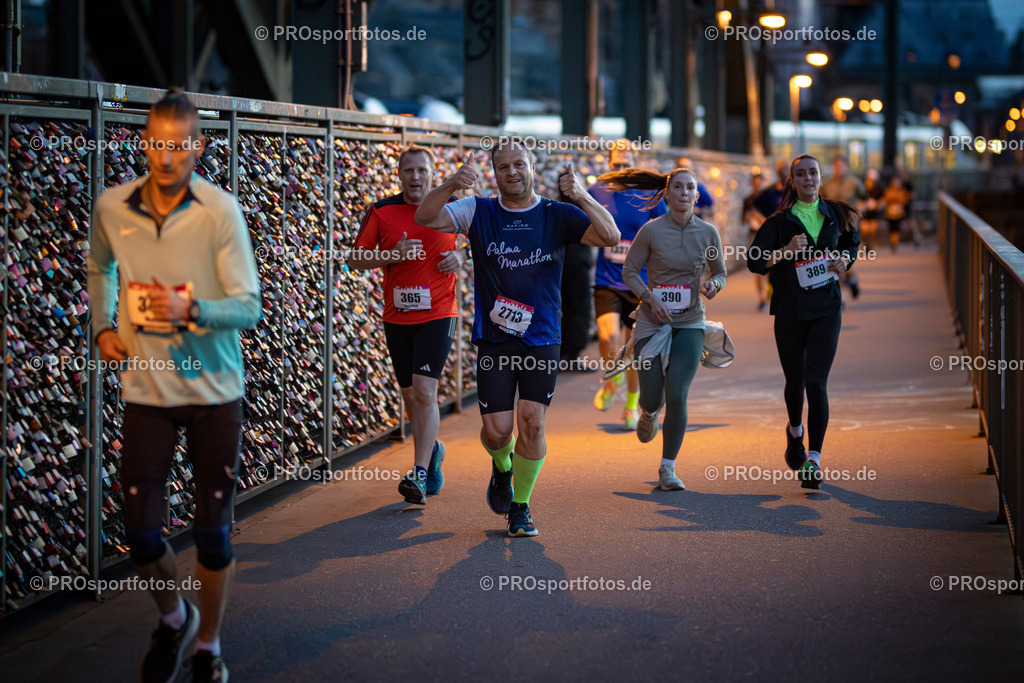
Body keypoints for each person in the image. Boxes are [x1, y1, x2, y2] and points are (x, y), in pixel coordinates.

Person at [88, 90, 262, 682]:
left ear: (198, 146)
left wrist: (190, 311)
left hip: (215, 391)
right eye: (157, 144)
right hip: (147, 391)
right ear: (145, 142)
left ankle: (208, 647)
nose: (167, 158)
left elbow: (249, 307)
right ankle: (173, 617)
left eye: (179, 146)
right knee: (139, 533)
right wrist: (103, 326)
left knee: (212, 536)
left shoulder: (220, 212)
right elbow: (100, 265)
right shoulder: (112, 207)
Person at [415, 139, 619, 536]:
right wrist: (451, 183)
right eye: (504, 166)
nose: (512, 172)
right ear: (495, 173)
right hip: (495, 338)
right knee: (498, 431)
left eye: (519, 164)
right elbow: (426, 217)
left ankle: (521, 507)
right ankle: (503, 466)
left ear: (530, 168)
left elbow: (609, 237)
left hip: (542, 336)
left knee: (533, 423)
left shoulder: (555, 214)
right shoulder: (479, 210)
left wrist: (580, 197)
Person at [348, 145, 468, 505]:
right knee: (411, 399)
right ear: (399, 175)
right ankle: (432, 453)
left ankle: (417, 471)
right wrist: (391, 255)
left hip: (439, 313)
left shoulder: (453, 207)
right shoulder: (382, 211)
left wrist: (462, 255)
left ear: (433, 173)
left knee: (424, 390)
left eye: (422, 171)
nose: (415, 177)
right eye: (409, 171)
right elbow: (355, 259)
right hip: (397, 318)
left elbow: (480, 243)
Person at [601, 166, 727, 490]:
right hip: (650, 322)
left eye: (690, 189)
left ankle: (667, 468)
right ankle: (647, 413)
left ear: (697, 196)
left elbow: (721, 272)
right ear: (667, 195)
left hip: (690, 323)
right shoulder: (652, 231)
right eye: (679, 188)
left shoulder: (708, 233)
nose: (684, 193)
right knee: (653, 397)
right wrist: (648, 298)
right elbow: (630, 270)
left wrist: (714, 284)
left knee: (677, 393)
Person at [747, 154, 861, 489]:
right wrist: (784, 250)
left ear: (820, 178)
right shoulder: (779, 222)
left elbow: (851, 245)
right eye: (801, 174)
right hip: (790, 311)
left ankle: (814, 460)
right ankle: (795, 430)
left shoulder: (837, 215)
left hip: (826, 309)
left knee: (816, 383)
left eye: (813, 172)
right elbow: (754, 261)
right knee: (795, 382)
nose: (808, 178)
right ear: (793, 181)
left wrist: (845, 259)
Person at [589, 143, 667, 429]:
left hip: (641, 282)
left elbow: (665, 229)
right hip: (607, 279)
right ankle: (614, 377)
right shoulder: (597, 191)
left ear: (635, 164)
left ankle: (631, 405)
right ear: (609, 164)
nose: (621, 170)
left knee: (635, 348)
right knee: (607, 336)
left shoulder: (649, 194)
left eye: (626, 165)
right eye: (616, 165)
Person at [821, 157, 866, 298]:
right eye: (836, 166)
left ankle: (852, 279)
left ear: (846, 166)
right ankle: (841, 294)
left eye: (841, 166)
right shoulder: (827, 184)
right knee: (834, 256)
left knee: (847, 255)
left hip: (850, 225)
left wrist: (857, 211)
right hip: (833, 226)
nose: (839, 168)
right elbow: (820, 203)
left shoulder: (854, 182)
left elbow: (866, 200)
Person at [742, 172, 768, 310]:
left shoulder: (769, 197)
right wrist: (750, 216)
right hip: (754, 234)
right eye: (755, 183)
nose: (757, 185)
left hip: (769, 234)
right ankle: (762, 296)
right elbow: (743, 218)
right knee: (758, 266)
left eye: (759, 182)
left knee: (771, 266)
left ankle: (771, 294)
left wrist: (760, 217)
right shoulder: (748, 200)